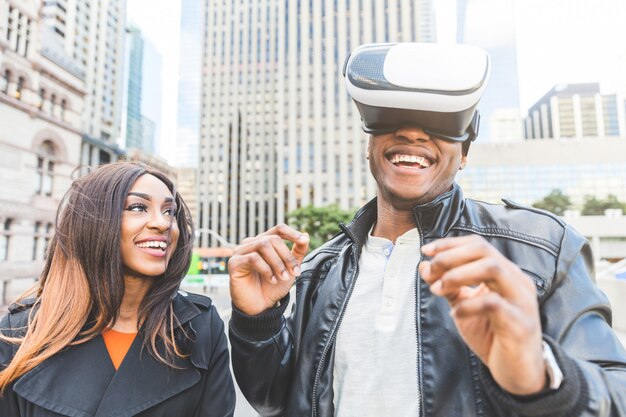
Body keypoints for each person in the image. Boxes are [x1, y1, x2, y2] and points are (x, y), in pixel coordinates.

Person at [227, 43, 626, 416]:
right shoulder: (320, 269)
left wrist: (539, 373)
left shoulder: (543, 249)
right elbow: (276, 397)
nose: (413, 133)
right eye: (392, 117)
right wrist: (256, 320)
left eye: (440, 123)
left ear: (465, 153)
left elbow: (616, 392)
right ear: (369, 142)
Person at [0, 162, 235, 416]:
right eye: (138, 207)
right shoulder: (19, 330)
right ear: (92, 222)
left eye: (170, 212)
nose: (163, 223)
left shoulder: (200, 326)